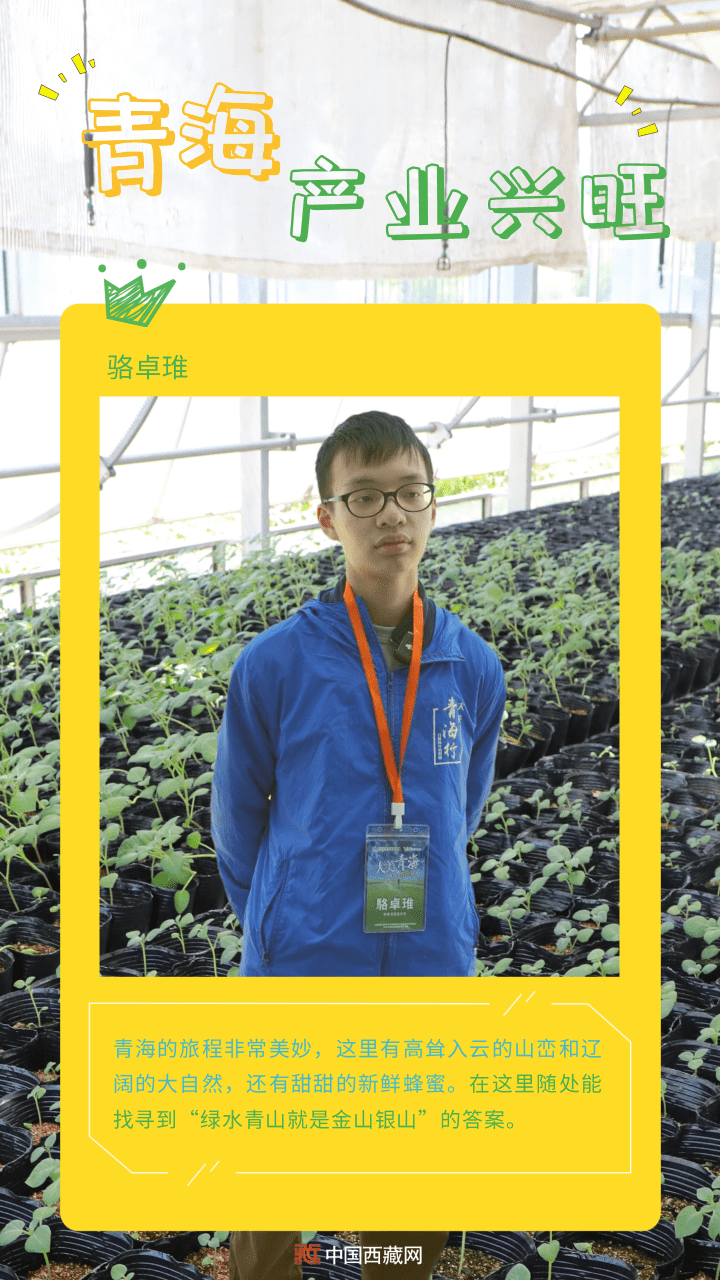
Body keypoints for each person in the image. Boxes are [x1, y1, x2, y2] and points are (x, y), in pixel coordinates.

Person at [211, 410, 506, 977]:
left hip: (433, 956)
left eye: (411, 493)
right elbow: (235, 820)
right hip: (303, 961)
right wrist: (276, 925)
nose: (393, 513)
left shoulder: (473, 665)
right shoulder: (275, 664)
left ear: (432, 508)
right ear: (328, 519)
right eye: (365, 497)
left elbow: (463, 810)